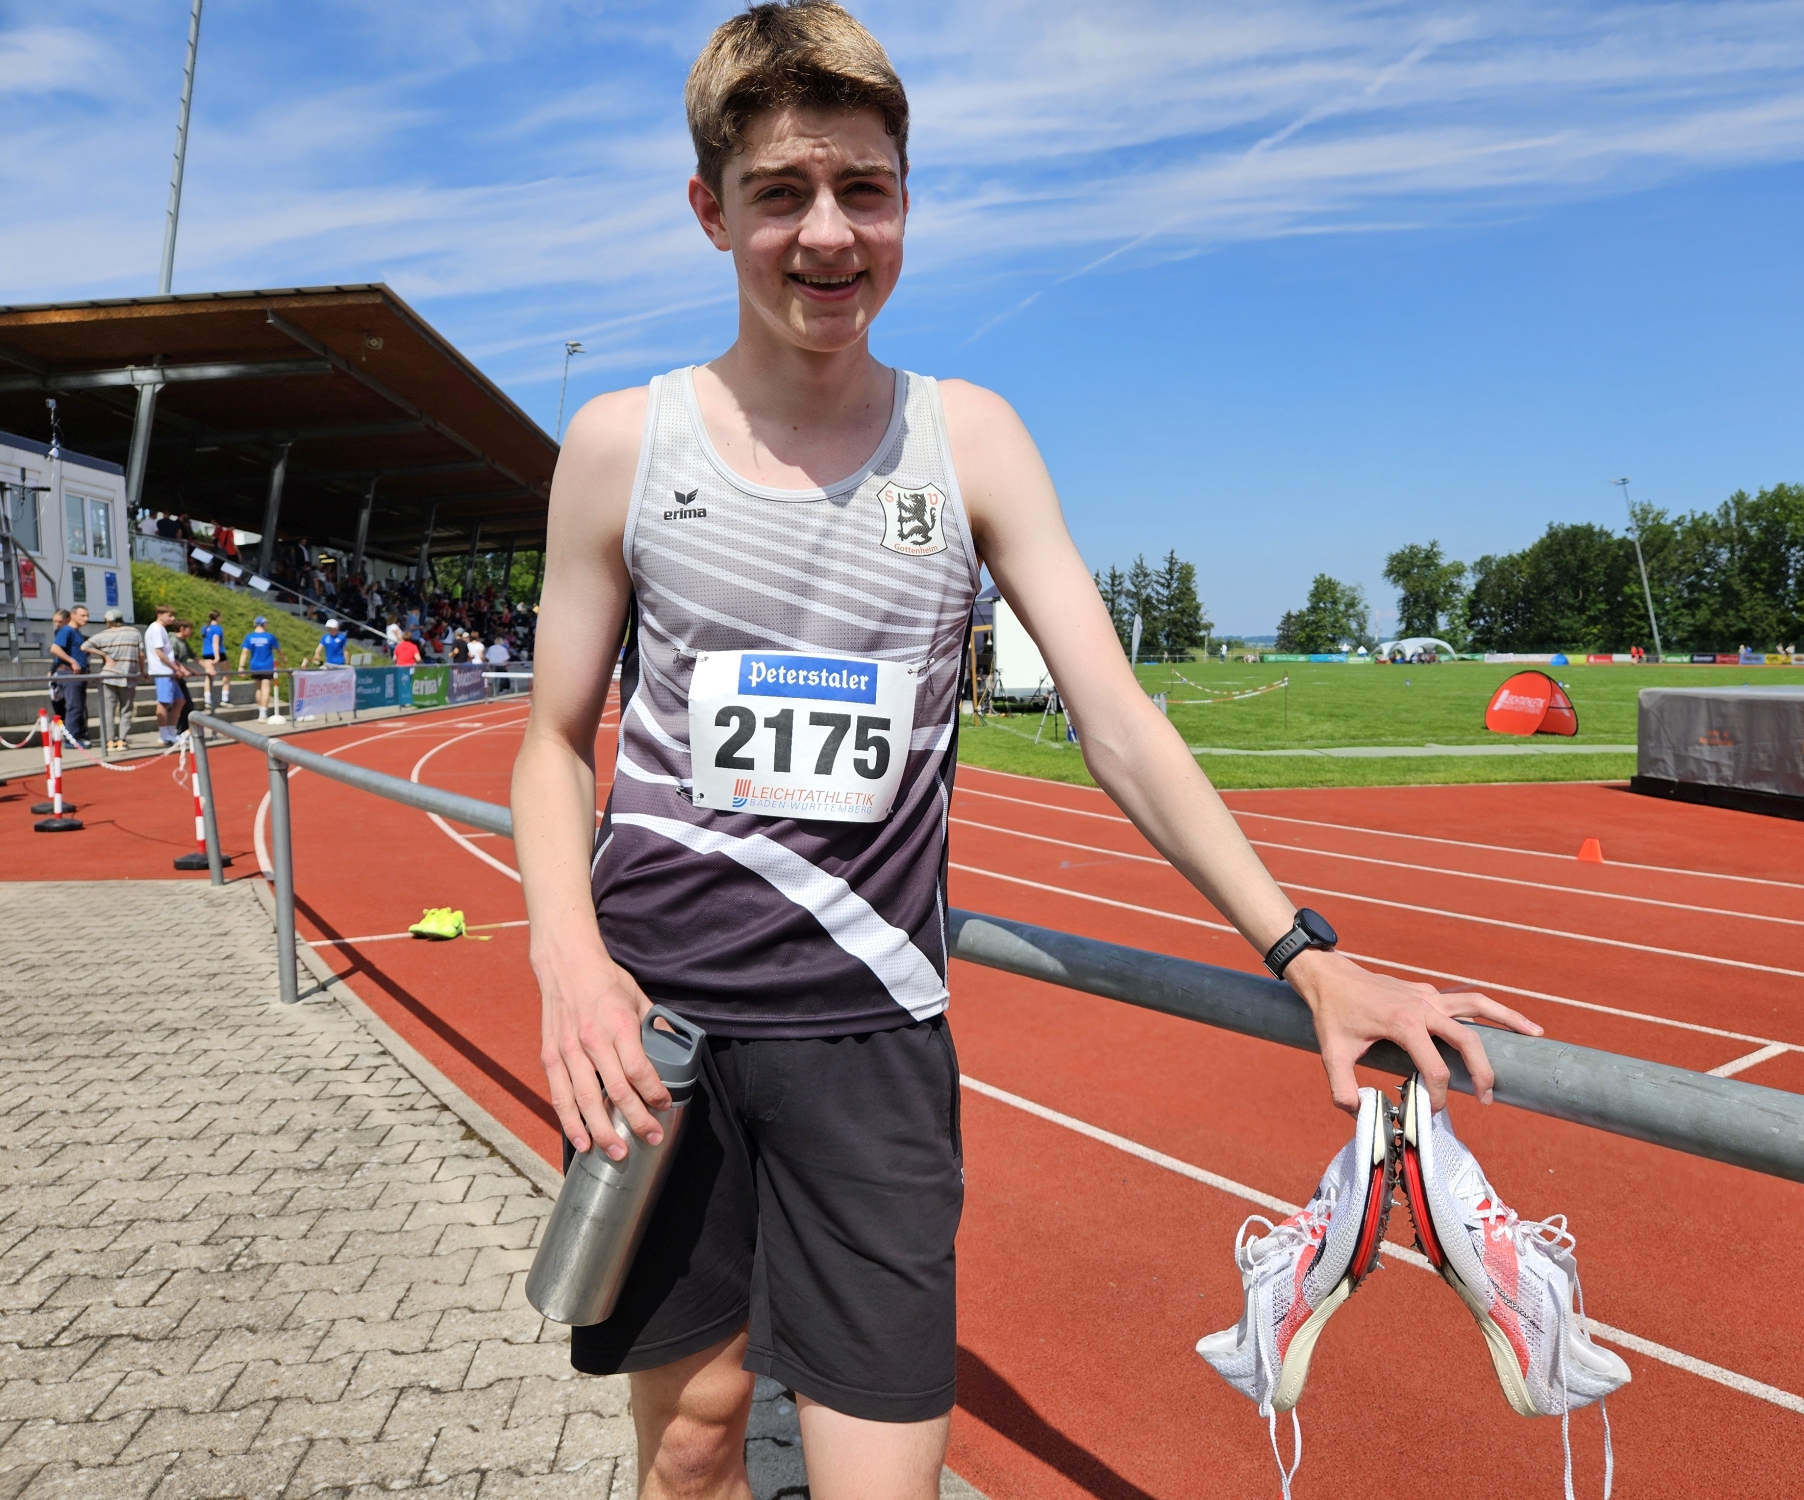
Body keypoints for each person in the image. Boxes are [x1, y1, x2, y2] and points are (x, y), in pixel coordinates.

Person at [509, 9, 1541, 1496]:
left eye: (865, 190)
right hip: (655, 1038)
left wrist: (1307, 953)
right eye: (782, 193)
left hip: (871, 1042)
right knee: (689, 1438)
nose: (826, 235)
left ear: (906, 202)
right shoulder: (622, 443)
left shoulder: (970, 439)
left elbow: (1116, 719)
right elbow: (552, 742)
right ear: (709, 211)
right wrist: (567, 963)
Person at [84, 608, 143, 750]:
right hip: (128, 675)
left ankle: (110, 741)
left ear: (108, 622)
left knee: (108, 710)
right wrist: (143, 670)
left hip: (109, 675)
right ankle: (122, 740)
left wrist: (103, 655)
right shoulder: (134, 632)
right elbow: (140, 653)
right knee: (126, 710)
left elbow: (84, 646)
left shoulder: (103, 635)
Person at [143, 604, 186, 745]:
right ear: (160, 615)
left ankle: (171, 731)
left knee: (180, 700)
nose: (172, 618)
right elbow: (159, 652)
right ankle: (163, 734)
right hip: (162, 671)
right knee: (164, 702)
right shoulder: (156, 629)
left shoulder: (160, 629)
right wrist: (175, 667)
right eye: (169, 615)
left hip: (167, 671)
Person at [49, 606, 90, 749]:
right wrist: (72, 661)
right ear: (73, 615)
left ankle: (76, 736)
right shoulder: (67, 630)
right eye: (83, 615)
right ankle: (71, 739)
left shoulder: (76, 632)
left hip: (78, 675)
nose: (86, 619)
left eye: (87, 615)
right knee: (74, 706)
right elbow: (55, 648)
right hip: (69, 674)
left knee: (78, 707)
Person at [238, 615, 285, 722]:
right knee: (266, 688)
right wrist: (284, 658)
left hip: (254, 666)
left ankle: (261, 711)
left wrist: (241, 666)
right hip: (267, 666)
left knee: (258, 688)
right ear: (263, 625)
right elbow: (278, 650)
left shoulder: (249, 637)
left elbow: (244, 653)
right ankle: (263, 713)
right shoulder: (269, 637)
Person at [199, 610, 232, 710]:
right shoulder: (217, 628)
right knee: (227, 674)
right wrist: (217, 656)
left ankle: (207, 700)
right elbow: (215, 642)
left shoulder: (205, 628)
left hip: (206, 653)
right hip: (218, 653)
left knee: (209, 676)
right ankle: (225, 699)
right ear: (217, 617)